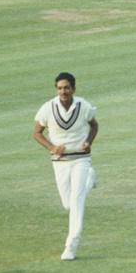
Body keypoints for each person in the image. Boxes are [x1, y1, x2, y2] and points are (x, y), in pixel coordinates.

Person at [33, 72, 98, 261]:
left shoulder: (83, 106)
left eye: (67, 88)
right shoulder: (47, 108)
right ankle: (91, 179)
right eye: (60, 88)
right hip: (60, 161)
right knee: (68, 203)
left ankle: (71, 245)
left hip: (81, 159)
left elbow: (94, 125)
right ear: (56, 89)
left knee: (77, 201)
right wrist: (52, 147)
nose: (63, 91)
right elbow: (36, 132)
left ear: (73, 89)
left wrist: (88, 141)